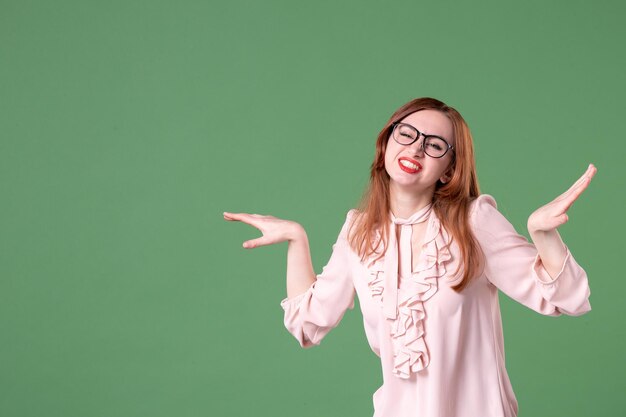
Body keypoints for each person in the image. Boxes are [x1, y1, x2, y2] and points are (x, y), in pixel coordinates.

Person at [223, 97, 596, 417]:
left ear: (449, 168)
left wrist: (542, 234)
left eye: (435, 145)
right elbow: (308, 322)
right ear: (386, 143)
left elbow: (567, 298)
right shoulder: (359, 231)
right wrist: (296, 238)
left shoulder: (474, 221)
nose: (416, 149)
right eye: (407, 134)